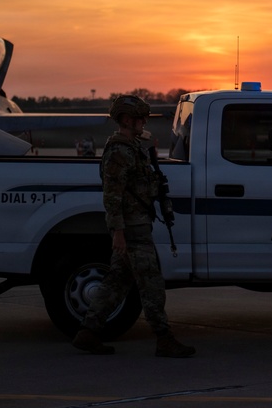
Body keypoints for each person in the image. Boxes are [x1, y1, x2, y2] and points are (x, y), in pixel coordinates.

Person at [72, 95, 195, 358]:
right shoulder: (119, 152)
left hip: (136, 224)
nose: (142, 123)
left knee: (117, 282)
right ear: (127, 120)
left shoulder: (133, 147)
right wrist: (118, 233)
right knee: (151, 283)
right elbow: (112, 196)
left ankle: (88, 332)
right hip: (131, 229)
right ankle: (163, 338)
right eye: (139, 119)